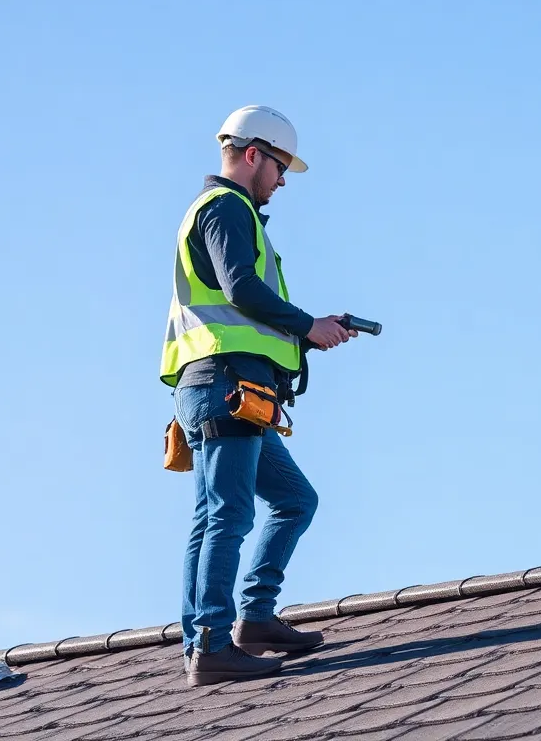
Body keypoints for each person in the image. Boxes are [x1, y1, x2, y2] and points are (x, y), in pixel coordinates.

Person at [160, 105, 356, 687]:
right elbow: (241, 288)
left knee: (293, 500)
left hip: (225, 387)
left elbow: (241, 304)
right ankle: (210, 645)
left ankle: (253, 621)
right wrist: (306, 326)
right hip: (225, 386)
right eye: (280, 167)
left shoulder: (223, 210)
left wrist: (310, 331)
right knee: (225, 514)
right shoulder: (227, 207)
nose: (283, 181)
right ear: (253, 155)